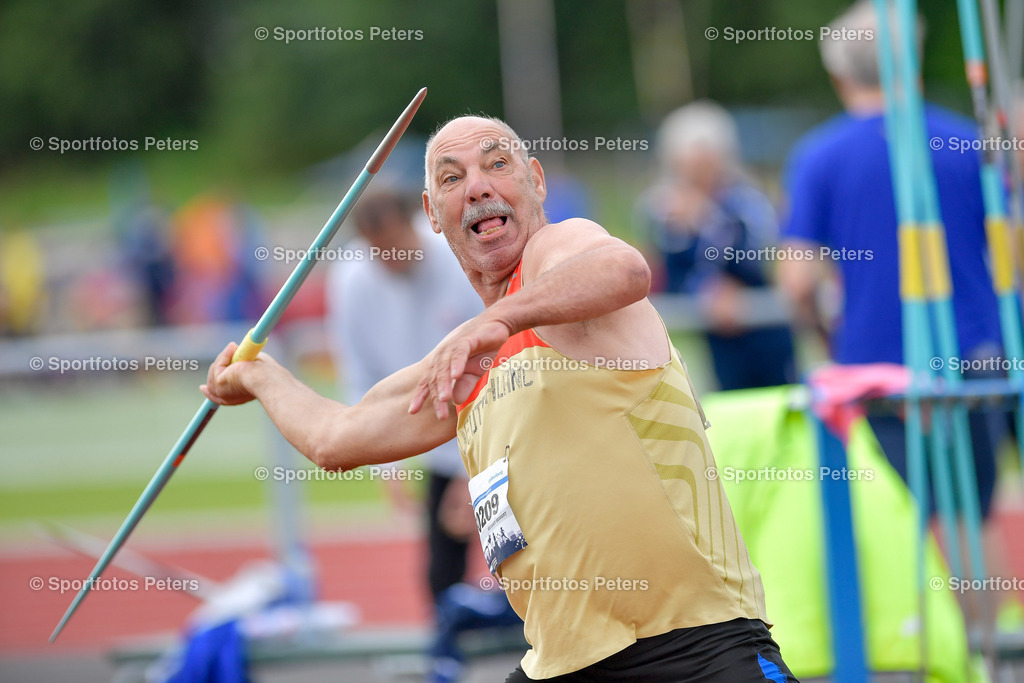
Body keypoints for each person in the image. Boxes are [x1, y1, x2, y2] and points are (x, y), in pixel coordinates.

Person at [202, 115, 796, 681]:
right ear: (433, 214)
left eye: (497, 165)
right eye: (453, 178)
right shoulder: (461, 365)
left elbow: (624, 268)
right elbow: (338, 438)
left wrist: (497, 321)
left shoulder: (557, 255)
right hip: (562, 663)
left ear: (535, 181)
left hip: (695, 646)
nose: (479, 187)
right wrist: (259, 378)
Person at [778, 0, 1008, 598]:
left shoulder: (820, 156)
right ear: (913, 58)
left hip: (874, 367)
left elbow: (797, 278)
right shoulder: (965, 141)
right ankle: (984, 655)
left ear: (840, 74)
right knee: (969, 521)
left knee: (890, 526)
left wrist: (818, 331)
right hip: (975, 357)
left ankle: (910, 651)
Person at [323, 188, 491, 682]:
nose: (390, 260)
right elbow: (358, 371)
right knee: (440, 562)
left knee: (517, 539)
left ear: (416, 224)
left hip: (491, 418)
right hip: (425, 425)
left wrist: (473, 472)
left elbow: (491, 359)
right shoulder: (351, 279)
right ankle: (447, 658)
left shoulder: (457, 262)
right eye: (378, 250)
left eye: (397, 245)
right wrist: (382, 458)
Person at [641, 101, 795, 390]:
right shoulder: (661, 208)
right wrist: (705, 290)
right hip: (709, 335)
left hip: (763, 334)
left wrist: (706, 220)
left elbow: (757, 256)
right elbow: (666, 270)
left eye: (706, 162)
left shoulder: (747, 201)